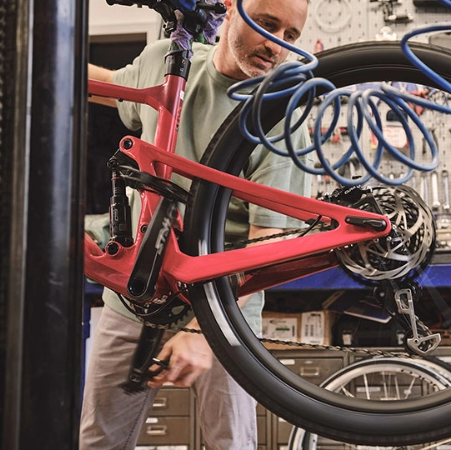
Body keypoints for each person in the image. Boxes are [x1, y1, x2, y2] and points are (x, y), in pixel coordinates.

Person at [79, 0, 311, 448]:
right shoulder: (168, 64)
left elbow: (267, 246)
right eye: (267, 24)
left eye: (291, 35)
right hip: (135, 295)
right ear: (230, 10)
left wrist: (204, 332)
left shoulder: (278, 116)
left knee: (230, 443)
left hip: (224, 306)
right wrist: (9, 63)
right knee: (98, 440)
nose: (277, 45)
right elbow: (109, 87)